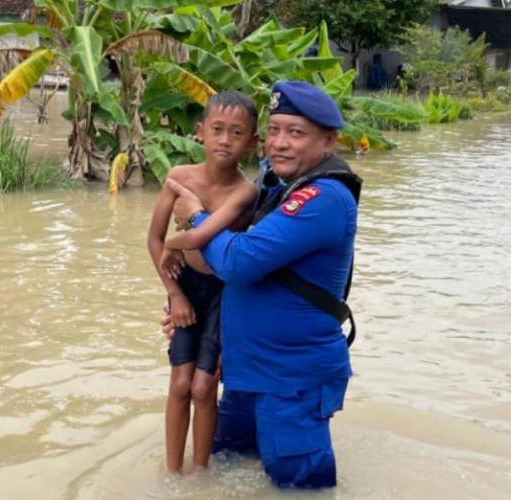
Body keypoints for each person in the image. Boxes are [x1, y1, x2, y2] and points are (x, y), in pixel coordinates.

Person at [164, 80, 362, 488]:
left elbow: (238, 260)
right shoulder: (277, 181)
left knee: (297, 488)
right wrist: (189, 307)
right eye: (274, 130)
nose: (280, 143)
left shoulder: (323, 198)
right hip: (244, 374)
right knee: (224, 470)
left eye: (297, 133)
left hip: (290, 383)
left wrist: (195, 218)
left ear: (329, 140)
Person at [146, 91, 259, 473]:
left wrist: (174, 246)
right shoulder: (179, 177)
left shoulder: (246, 191)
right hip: (188, 288)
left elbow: (197, 235)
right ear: (200, 133)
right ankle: (173, 475)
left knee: (203, 387)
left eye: (237, 133)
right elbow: (153, 239)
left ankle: (202, 474)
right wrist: (174, 294)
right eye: (217, 130)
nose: (225, 140)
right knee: (179, 386)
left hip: (225, 294)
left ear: (252, 142)